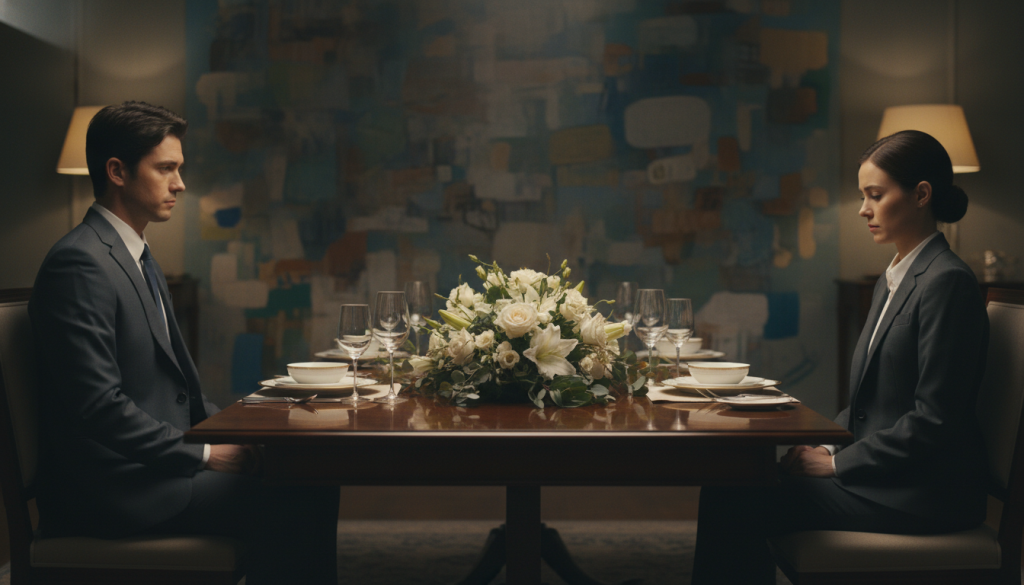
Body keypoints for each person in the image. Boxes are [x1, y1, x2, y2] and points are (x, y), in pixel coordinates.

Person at [29, 101, 339, 584]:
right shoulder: (80, 263)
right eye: (166, 168)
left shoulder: (138, 256)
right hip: (115, 492)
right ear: (117, 171)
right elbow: (96, 406)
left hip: (152, 472)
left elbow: (178, 394)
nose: (181, 183)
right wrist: (208, 454)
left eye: (180, 168)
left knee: (306, 475)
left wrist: (241, 430)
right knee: (298, 492)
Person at [690, 130, 990, 584]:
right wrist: (826, 445)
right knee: (731, 484)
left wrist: (836, 464)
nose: (863, 209)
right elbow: (869, 402)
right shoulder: (892, 279)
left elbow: (936, 420)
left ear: (921, 195)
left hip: (923, 493)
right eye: (862, 196)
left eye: (875, 195)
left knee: (736, 497)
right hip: (886, 475)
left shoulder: (947, 282)